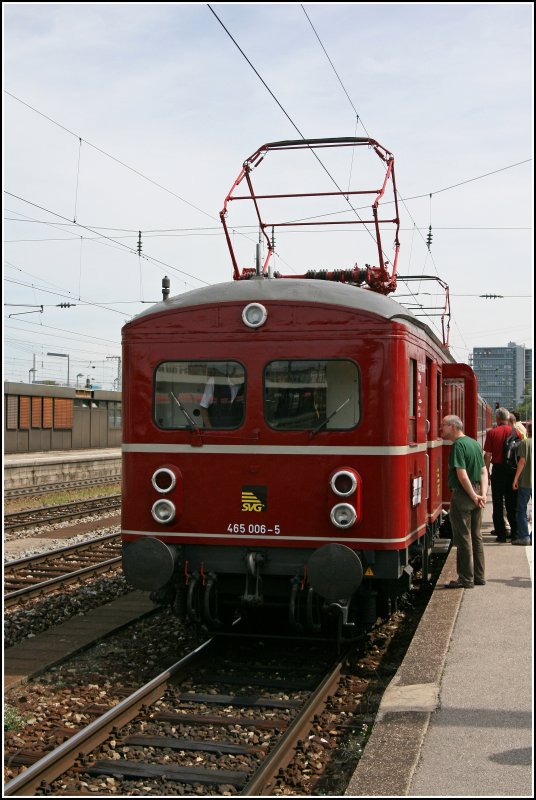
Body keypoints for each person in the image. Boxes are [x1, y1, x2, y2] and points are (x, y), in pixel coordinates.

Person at [441, 415, 488, 589]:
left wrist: (473, 496)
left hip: (463, 495)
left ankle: (465, 579)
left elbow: (461, 474)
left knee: (463, 538)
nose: (441, 428)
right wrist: (482, 494)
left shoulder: (458, 446)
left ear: (453, 426)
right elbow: (484, 471)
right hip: (477, 492)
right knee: (477, 536)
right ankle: (479, 576)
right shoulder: (474, 443)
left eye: (443, 425)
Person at [483, 407, 519, 542]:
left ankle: (501, 534)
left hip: (498, 470)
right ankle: (515, 533)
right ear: (508, 418)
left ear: (497, 418)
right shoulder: (516, 432)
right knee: (512, 503)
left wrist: (486, 473)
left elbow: (487, 455)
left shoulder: (492, 433)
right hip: (512, 471)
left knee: (498, 503)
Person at [512, 421, 532, 545]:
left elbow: (522, 461)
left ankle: (525, 536)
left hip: (526, 481)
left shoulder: (525, 443)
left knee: (521, 510)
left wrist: (515, 479)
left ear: (527, 431)